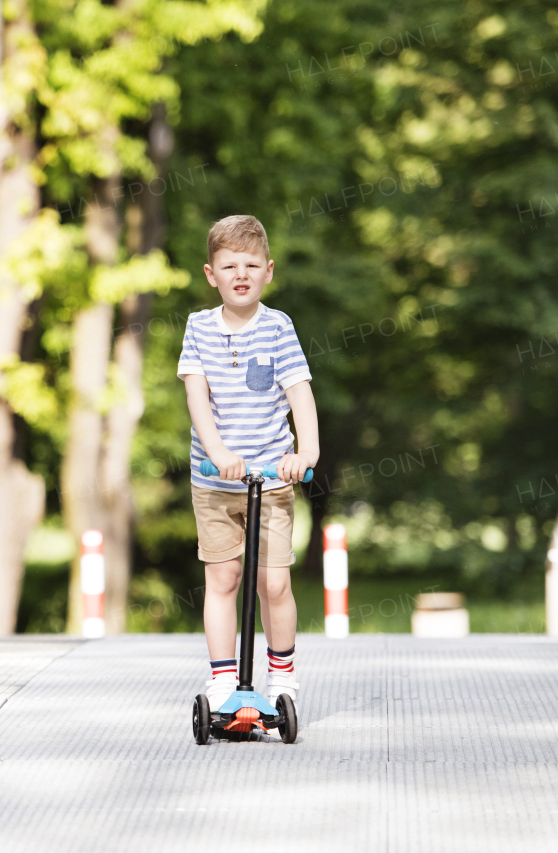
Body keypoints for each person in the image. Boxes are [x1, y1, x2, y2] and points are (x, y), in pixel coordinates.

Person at [177, 214, 320, 713]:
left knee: (273, 582)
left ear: (268, 271)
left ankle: (282, 675)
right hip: (216, 482)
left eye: (252, 264)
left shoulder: (278, 327)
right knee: (224, 580)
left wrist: (306, 453)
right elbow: (197, 396)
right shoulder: (198, 327)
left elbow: (299, 393)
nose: (241, 273)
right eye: (229, 265)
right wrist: (218, 454)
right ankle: (222, 681)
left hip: (271, 480)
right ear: (211, 274)